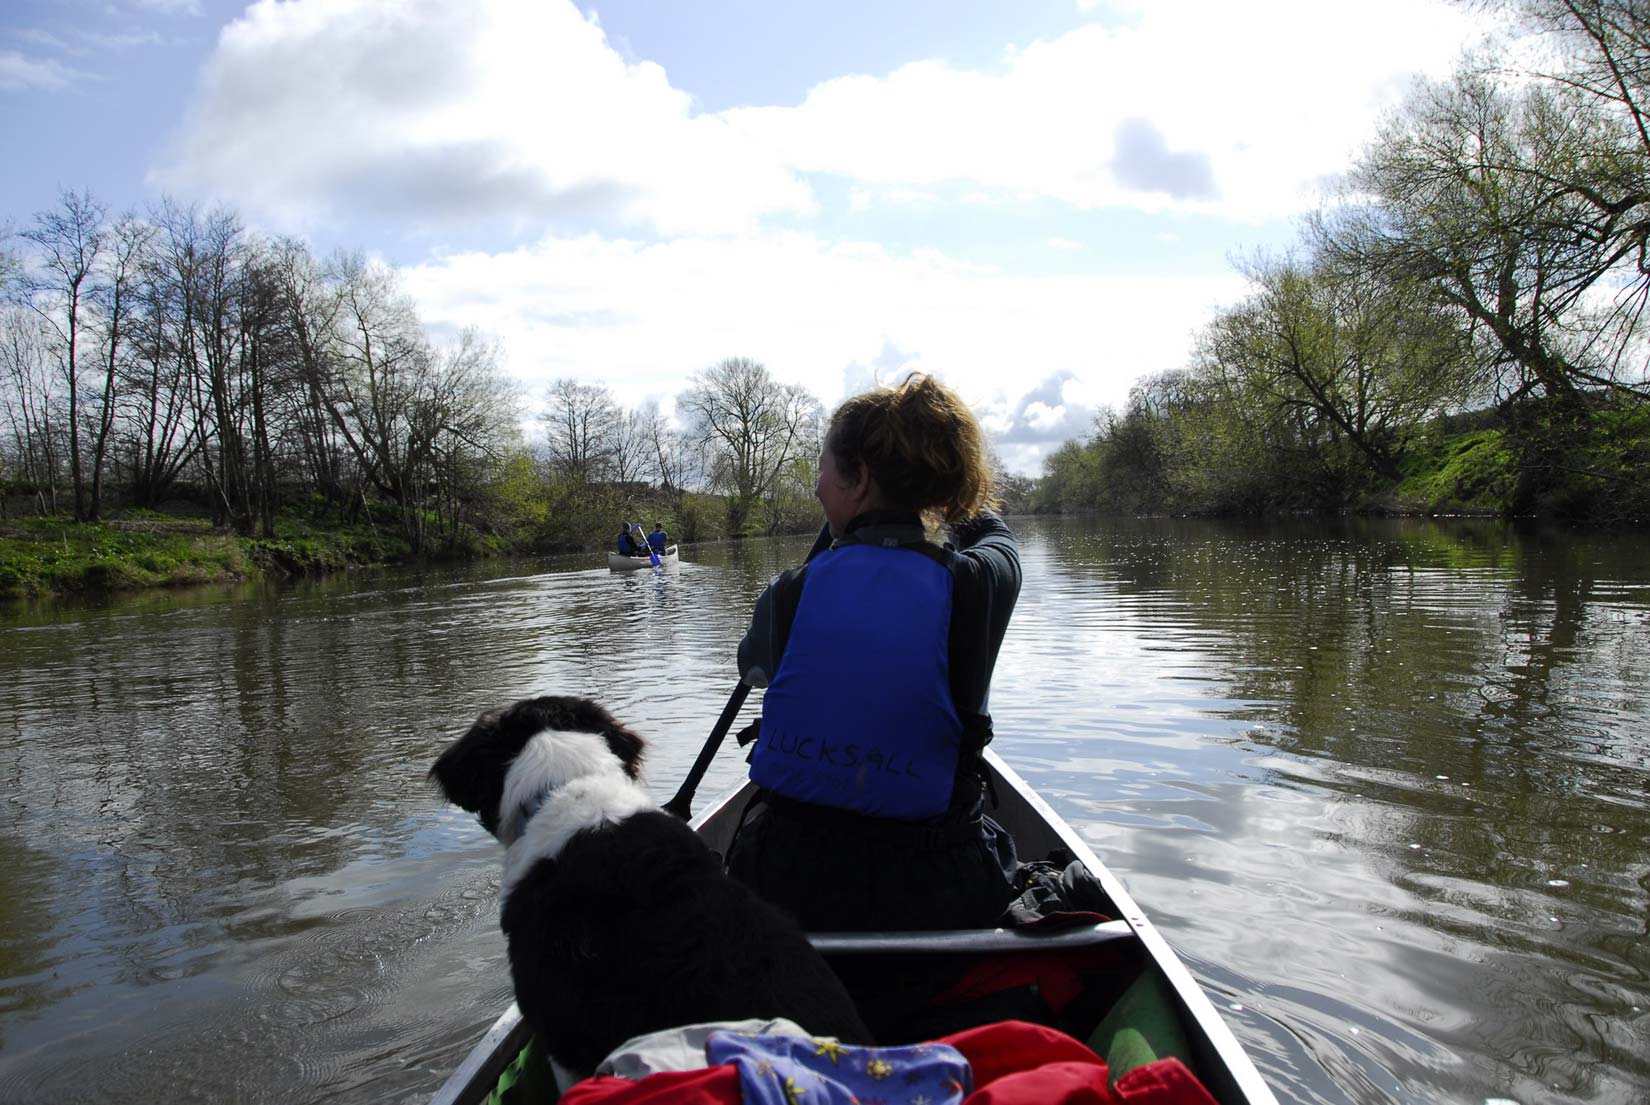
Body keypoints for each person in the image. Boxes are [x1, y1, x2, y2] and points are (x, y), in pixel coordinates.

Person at [726, 372, 1022, 933]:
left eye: (824, 469)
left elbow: (754, 668)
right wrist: (940, 500)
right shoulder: (978, 586)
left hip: (780, 879)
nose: (816, 488)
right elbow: (995, 535)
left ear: (858, 478)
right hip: (937, 885)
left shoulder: (788, 592)